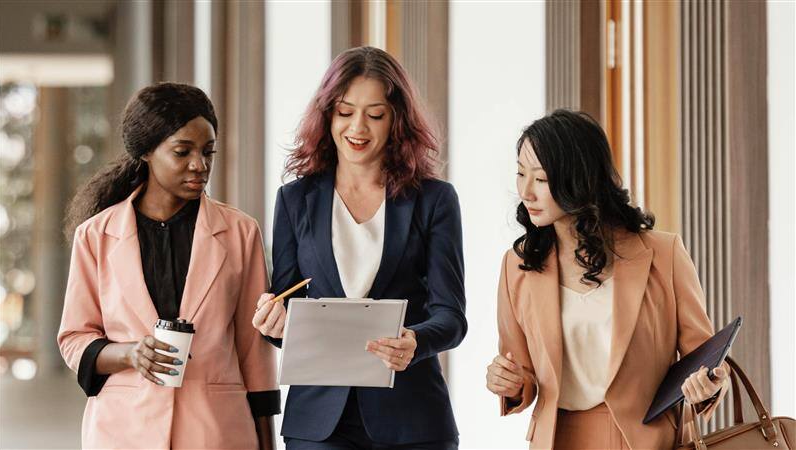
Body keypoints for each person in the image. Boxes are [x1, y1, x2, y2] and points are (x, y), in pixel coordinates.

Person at [252, 46, 466, 449]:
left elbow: (451, 316)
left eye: (375, 114)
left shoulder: (434, 200)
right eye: (345, 112)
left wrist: (415, 341)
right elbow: (287, 306)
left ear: (396, 120)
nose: (358, 128)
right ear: (328, 115)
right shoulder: (295, 200)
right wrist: (274, 325)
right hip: (319, 424)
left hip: (411, 419)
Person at [486, 110, 730, 449]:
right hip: (560, 438)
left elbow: (703, 358)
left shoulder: (663, 253)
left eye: (541, 179)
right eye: (520, 174)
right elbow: (522, 371)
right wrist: (509, 383)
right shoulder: (518, 265)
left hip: (648, 440)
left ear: (581, 178)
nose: (526, 191)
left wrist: (709, 385)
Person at [58, 82, 279, 449]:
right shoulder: (95, 235)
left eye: (208, 151)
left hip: (217, 430)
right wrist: (129, 354)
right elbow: (75, 338)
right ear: (146, 151)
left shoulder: (240, 232)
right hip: (124, 431)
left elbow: (253, 348)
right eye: (182, 152)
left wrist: (266, 442)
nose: (200, 165)